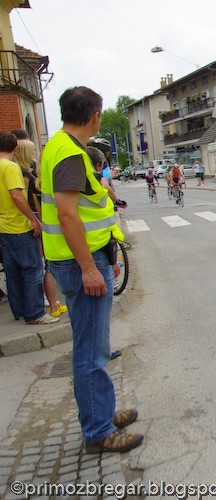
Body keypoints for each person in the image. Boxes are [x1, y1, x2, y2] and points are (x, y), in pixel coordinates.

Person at [39, 86, 142, 453]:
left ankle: (102, 412)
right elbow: (67, 213)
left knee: (94, 346)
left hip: (73, 258)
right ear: (95, 116)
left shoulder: (59, 146)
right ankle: (98, 431)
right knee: (91, 352)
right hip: (80, 261)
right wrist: (89, 268)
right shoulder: (69, 152)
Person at [0, 132, 57, 325]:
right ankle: (35, 313)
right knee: (32, 268)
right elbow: (16, 196)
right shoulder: (10, 167)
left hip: (3, 227)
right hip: (18, 225)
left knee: (12, 271)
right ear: (15, 148)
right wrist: (33, 219)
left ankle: (20, 310)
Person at [13, 138, 68, 319]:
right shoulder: (28, 177)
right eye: (31, 151)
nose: (33, 155)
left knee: (40, 265)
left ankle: (45, 303)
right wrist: (36, 220)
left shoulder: (33, 177)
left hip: (37, 220)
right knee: (45, 266)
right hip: (40, 220)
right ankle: (50, 304)